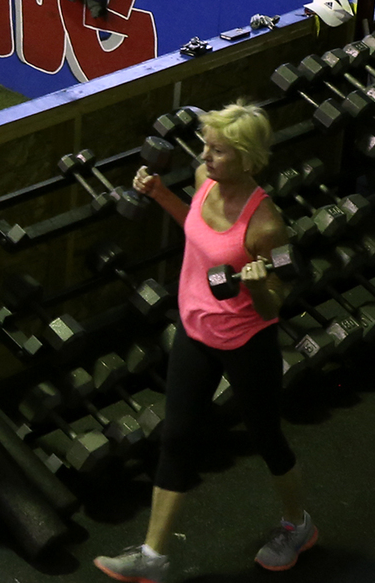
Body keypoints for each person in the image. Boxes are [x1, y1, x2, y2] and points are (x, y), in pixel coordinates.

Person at [97, 102, 315, 580]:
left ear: (246, 158)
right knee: (175, 438)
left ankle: (298, 525)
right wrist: (158, 194)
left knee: (266, 438)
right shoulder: (202, 180)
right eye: (205, 147)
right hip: (195, 333)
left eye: (217, 151)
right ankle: (153, 559)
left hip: (246, 342)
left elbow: (275, 305)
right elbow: (195, 227)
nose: (205, 156)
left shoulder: (267, 226)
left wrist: (259, 285)